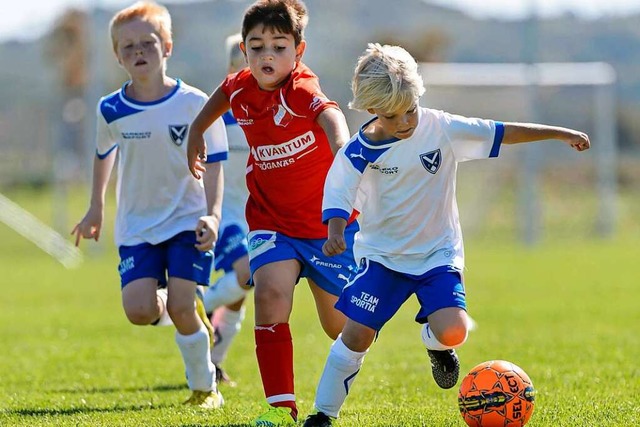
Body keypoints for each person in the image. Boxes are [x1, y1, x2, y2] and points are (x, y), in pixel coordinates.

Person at [302, 43, 591, 427]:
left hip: (438, 254)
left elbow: (499, 132)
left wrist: (559, 133)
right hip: (383, 258)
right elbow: (337, 194)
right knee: (356, 336)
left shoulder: (441, 127)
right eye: (393, 115)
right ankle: (322, 415)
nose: (406, 121)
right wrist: (335, 229)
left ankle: (434, 344)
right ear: (372, 110)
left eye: (411, 109)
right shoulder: (357, 152)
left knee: (453, 330)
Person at [186, 1, 358, 425]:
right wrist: (194, 133)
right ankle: (281, 409)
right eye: (256, 45)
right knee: (268, 295)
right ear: (243, 49)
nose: (267, 55)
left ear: (298, 51)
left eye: (279, 47)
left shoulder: (302, 90)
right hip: (270, 220)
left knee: (341, 328)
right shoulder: (239, 86)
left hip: (326, 226)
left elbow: (332, 116)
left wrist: (342, 152)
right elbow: (217, 102)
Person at [71, 1, 228, 409]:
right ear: (117, 56)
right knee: (139, 311)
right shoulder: (111, 108)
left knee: (179, 305)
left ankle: (204, 389)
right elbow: (103, 154)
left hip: (186, 220)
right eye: (128, 47)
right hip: (137, 226)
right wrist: (95, 208)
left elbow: (214, 165)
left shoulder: (196, 104)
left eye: (148, 42)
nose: (138, 52)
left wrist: (212, 214)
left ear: (168, 46)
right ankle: (183, 305)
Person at [202, 32, 252, 387]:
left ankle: (214, 364)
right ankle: (196, 304)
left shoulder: (273, 114)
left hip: (259, 217)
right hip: (227, 214)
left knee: (238, 297)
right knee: (248, 275)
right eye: (243, 64)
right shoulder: (217, 115)